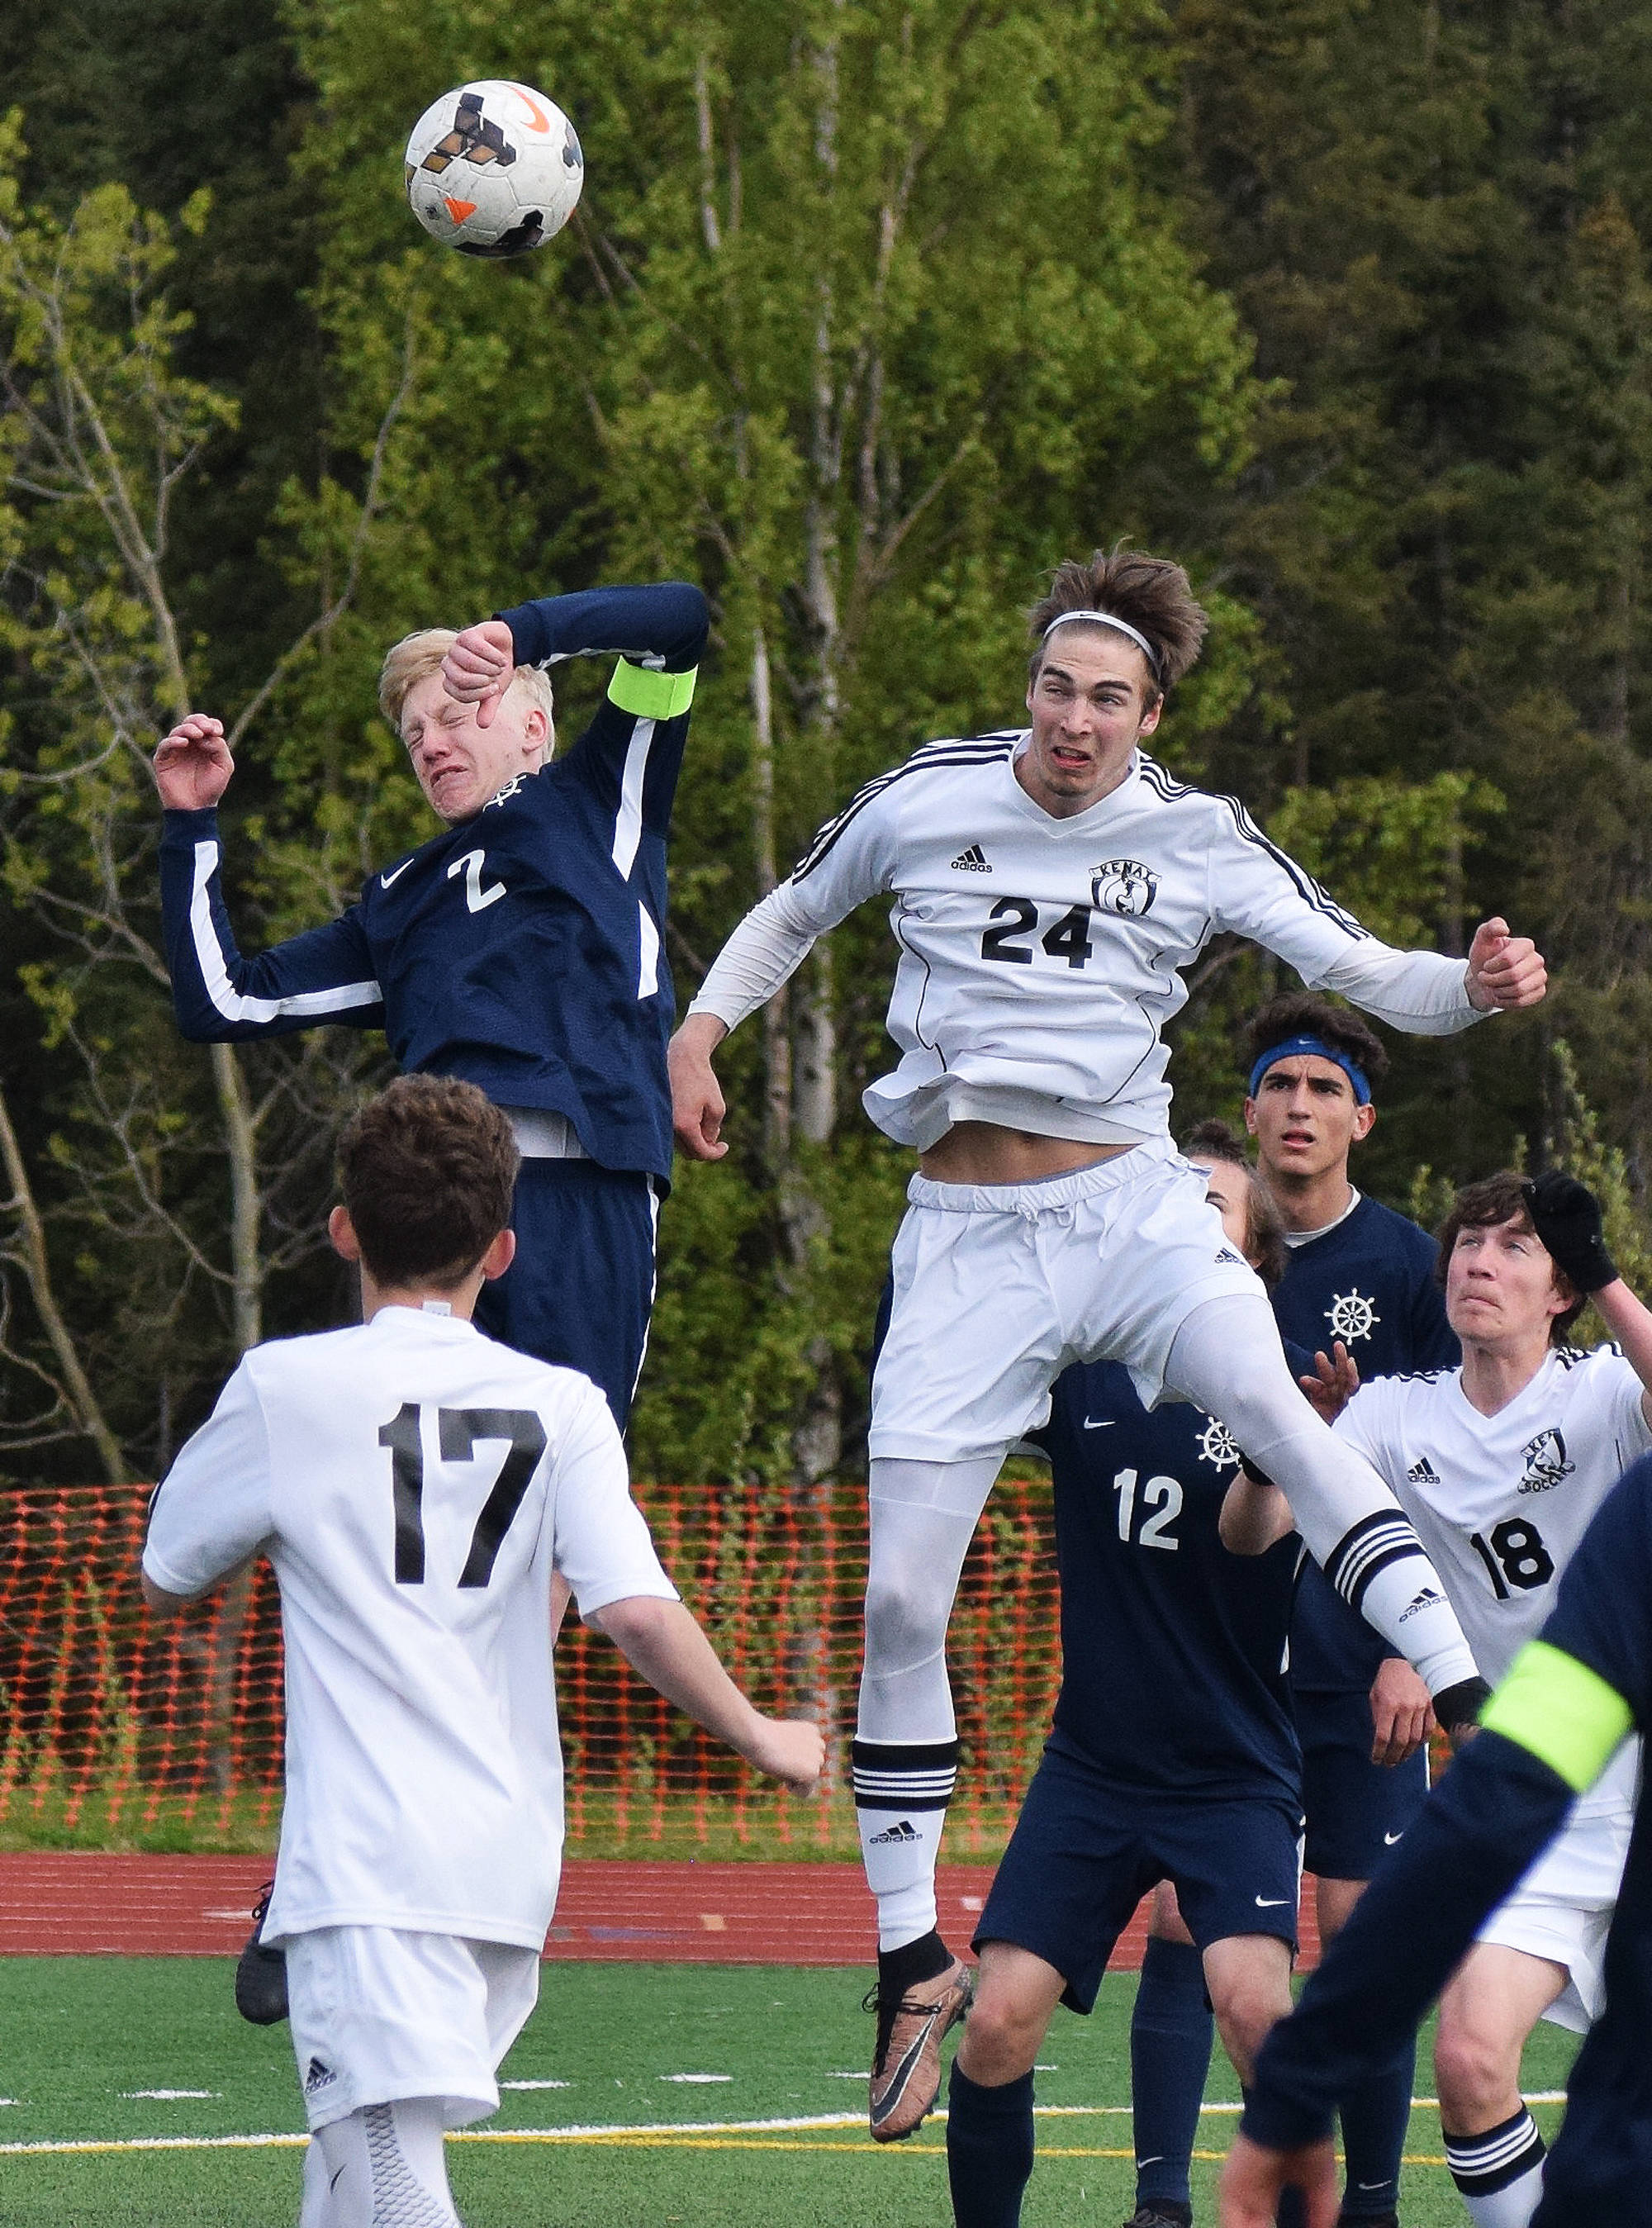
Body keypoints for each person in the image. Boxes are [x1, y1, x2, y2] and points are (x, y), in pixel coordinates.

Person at [667, 547, 1544, 2139]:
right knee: (896, 1598)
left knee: (1290, 1428)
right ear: (1032, 687)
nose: (1080, 720)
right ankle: (907, 1957)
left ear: (1154, 713)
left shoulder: (1199, 836)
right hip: (963, 1242)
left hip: (1137, 1216)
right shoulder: (926, 794)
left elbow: (1364, 972)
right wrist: (701, 1028)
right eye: (1061, 688)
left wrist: (1476, 990)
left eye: (1114, 699)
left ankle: (1479, 1708)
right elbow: (790, 913)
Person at [140, 1075, 822, 2228]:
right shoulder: (562, 1403)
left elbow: (166, 1569)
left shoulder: (287, 1385)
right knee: (347, 2179)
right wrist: (767, 1735)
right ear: (500, 1250)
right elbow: (636, 1611)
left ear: (344, 1227)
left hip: (367, 1868)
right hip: (504, 1868)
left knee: (393, 2184)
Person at [153, 578, 709, 1427]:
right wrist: (189, 826)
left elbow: (678, 622)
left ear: (532, 725)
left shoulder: (602, 796)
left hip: (579, 1181)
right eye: (413, 733)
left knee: (562, 1477)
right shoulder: (398, 899)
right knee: (421, 1487)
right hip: (435, 1194)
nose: (429, 744)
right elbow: (225, 1001)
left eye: (453, 716)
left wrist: (524, 633)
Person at [1222, 1171, 1652, 2228]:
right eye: (1466, 1243)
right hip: (1533, 1797)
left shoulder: (1599, 1390)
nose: (1478, 1262)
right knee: (1464, 2055)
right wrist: (1285, 1437)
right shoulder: (1387, 1410)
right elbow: (1248, 1534)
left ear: (1556, 1290)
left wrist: (1603, 1273)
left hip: (1635, 1792)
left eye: (1513, 1247)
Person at [1127, 996, 1455, 2228]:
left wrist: (1413, 1651)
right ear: (1251, 1108)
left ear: (1360, 1119)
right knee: (1176, 1916)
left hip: (1353, 1660)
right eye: (1282, 1087)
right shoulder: (1185, 1252)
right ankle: (1159, 2202)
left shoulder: (1405, 1267)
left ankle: (1368, 2206)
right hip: (1214, 1665)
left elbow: (1440, 1469)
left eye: (1326, 1090)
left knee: (1360, 1941)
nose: (1301, 1109)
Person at [945, 1133, 1313, 2225]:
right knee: (999, 2019)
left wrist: (1262, 1449)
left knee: (1254, 2011)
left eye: (1210, 1201)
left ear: (1253, 1256)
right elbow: (959, 1388)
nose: (1184, 1211)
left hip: (1232, 1772)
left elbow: (1256, 1534)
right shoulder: (1084, 1369)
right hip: (1095, 1765)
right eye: (1170, 1196)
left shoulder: (1270, 1386)